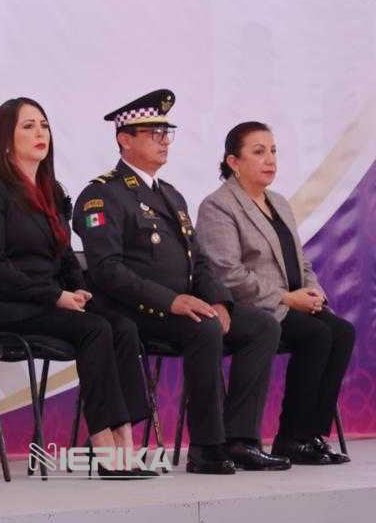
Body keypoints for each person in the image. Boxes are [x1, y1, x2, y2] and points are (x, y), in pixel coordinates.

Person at [73, 90, 288, 475]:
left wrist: (221, 301)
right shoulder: (102, 195)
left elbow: (199, 261)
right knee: (202, 327)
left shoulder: (170, 195)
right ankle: (207, 446)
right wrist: (171, 301)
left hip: (182, 306)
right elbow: (108, 270)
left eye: (166, 132)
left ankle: (240, 439)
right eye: (153, 132)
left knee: (261, 326)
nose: (163, 141)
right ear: (125, 138)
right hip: (133, 311)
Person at [0, 98, 151, 477]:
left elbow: (65, 255)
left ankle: (126, 438)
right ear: (5, 138)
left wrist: (79, 291)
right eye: (28, 126)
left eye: (44, 126)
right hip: (4, 303)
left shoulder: (52, 190)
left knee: (123, 325)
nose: (39, 134)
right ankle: (103, 445)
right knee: (95, 329)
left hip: (49, 300)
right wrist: (53, 296)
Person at [196, 122, 353, 465]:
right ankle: (290, 438)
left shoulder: (279, 202)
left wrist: (314, 292)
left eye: (273, 151)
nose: (270, 159)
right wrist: (286, 298)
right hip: (250, 308)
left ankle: (309, 435)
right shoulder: (218, 206)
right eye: (258, 151)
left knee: (341, 331)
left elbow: (301, 261)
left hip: (292, 303)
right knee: (316, 335)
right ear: (233, 162)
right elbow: (227, 273)